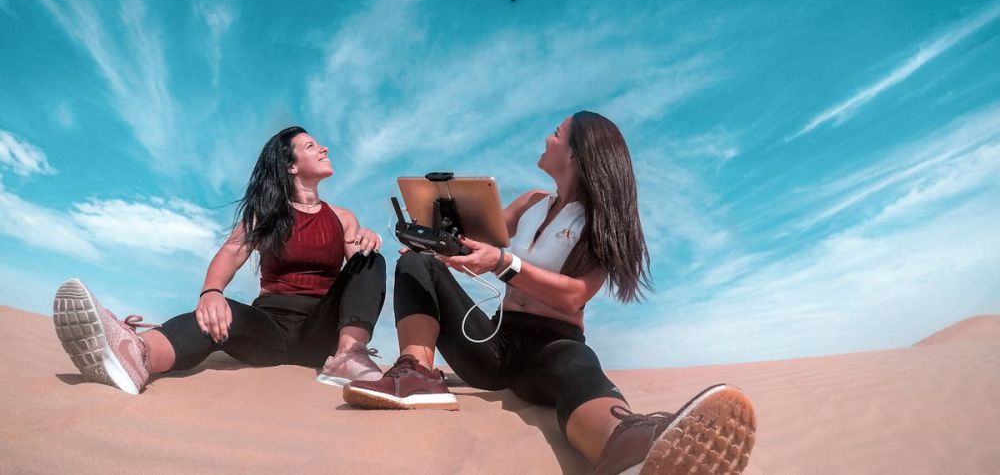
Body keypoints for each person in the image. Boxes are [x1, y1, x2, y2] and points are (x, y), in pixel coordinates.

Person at [342, 112, 757, 474]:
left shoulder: (600, 222)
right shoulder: (531, 202)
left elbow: (575, 296)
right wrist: (435, 245)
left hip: (553, 347)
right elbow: (479, 248)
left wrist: (505, 263)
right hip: (494, 342)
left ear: (577, 153)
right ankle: (416, 372)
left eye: (557, 133)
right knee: (416, 264)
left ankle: (628, 446)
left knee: (579, 368)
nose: (547, 138)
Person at [52, 126, 387, 395]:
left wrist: (365, 243)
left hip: (323, 331)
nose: (323, 148)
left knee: (373, 261)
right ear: (291, 165)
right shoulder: (267, 215)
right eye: (311, 146)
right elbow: (231, 251)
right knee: (219, 313)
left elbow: (359, 278)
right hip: (269, 328)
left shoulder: (342, 218)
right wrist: (210, 292)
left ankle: (350, 354)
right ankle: (136, 356)